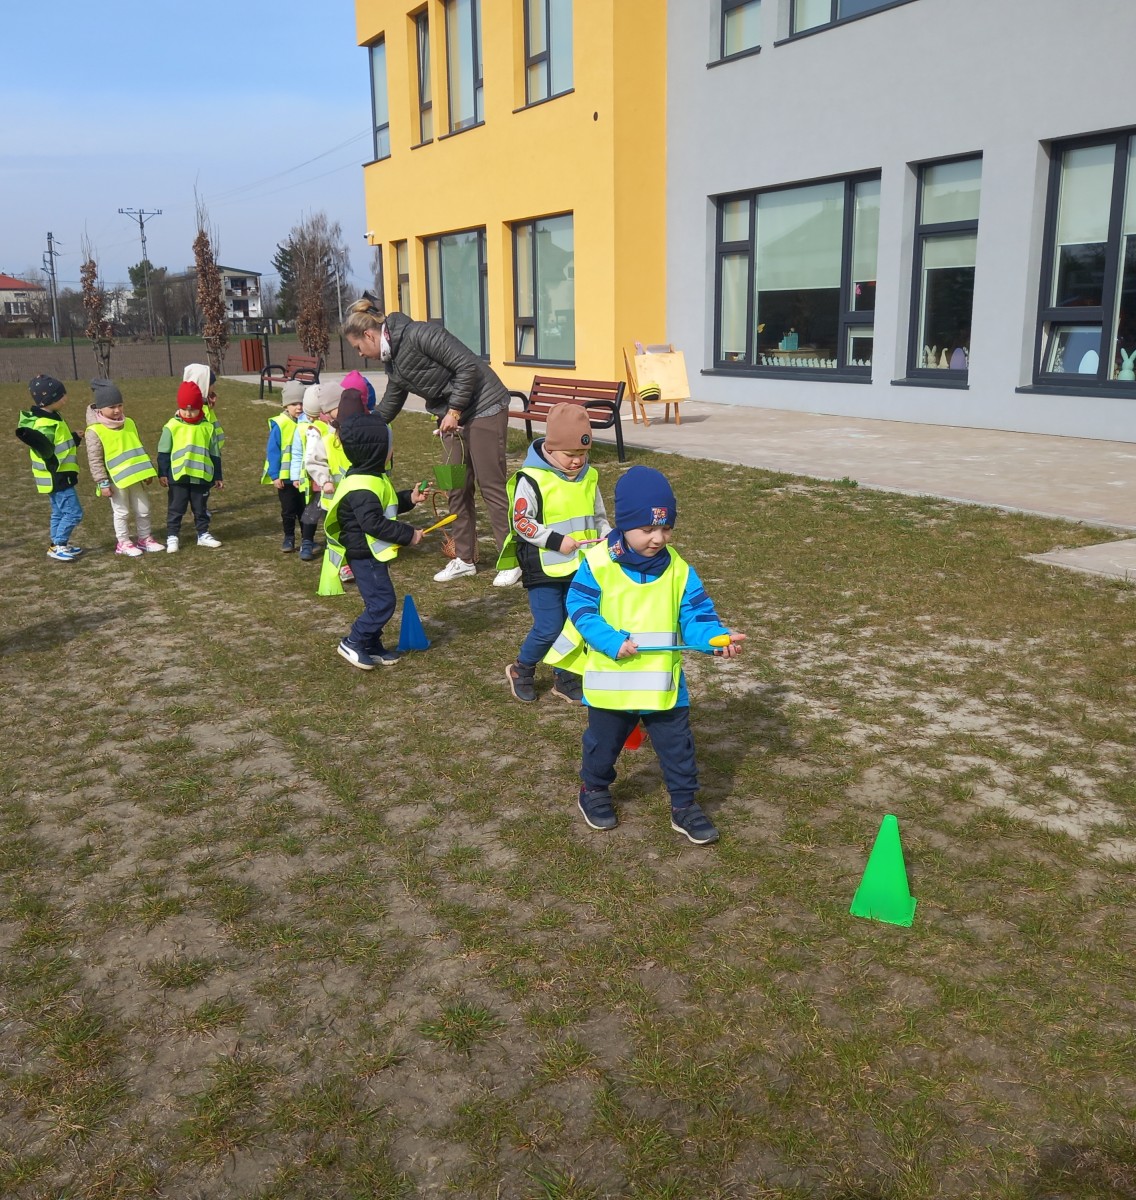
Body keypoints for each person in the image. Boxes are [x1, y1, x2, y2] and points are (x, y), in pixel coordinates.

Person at [546, 465, 746, 845]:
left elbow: (698, 617)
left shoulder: (680, 571)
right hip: (612, 686)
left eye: (666, 528)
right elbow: (581, 610)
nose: (658, 538)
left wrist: (715, 639)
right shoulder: (597, 564)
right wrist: (610, 640)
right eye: (648, 529)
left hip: (663, 687)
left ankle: (684, 805)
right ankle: (594, 790)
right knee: (602, 746)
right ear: (624, 525)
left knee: (678, 748)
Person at [342, 293, 519, 587]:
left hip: (484, 407)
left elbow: (468, 367)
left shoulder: (420, 334)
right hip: (451, 419)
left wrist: (454, 410)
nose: (359, 354)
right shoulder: (392, 363)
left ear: (369, 335)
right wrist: (356, 427)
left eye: (358, 347)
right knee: (454, 485)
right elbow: (390, 404)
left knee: (490, 486)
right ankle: (465, 558)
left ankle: (510, 559)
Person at [498, 404, 611, 705]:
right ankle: (521, 668)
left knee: (575, 624)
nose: (577, 461)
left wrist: (608, 536)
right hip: (544, 567)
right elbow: (522, 522)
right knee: (549, 626)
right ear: (550, 448)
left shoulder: (589, 476)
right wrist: (555, 540)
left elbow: (598, 516)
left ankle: (565, 676)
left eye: (583, 454)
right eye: (570, 454)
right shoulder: (531, 479)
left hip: (580, 566)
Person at [317, 408, 427, 670]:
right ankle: (354, 641)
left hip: (371, 553)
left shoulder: (372, 477)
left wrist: (409, 499)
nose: (392, 450)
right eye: (390, 445)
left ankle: (371, 644)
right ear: (376, 450)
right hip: (363, 554)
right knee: (383, 602)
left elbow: (385, 504)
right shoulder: (362, 486)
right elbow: (373, 523)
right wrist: (409, 534)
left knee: (377, 601)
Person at [83, 378, 164, 557]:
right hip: (116, 480)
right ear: (100, 408)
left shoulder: (130, 423)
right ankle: (123, 543)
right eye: (112, 407)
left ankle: (145, 539)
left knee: (144, 508)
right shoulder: (94, 431)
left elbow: (138, 447)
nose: (117, 410)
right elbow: (95, 460)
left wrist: (147, 471)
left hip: (136, 476)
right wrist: (102, 482)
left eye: (120, 405)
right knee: (122, 512)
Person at [16, 374, 85, 561]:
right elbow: (46, 451)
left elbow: (58, 445)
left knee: (59, 512)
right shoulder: (44, 424)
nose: (66, 398)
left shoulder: (53, 417)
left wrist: (74, 437)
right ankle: (59, 544)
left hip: (55, 476)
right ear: (49, 399)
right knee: (74, 513)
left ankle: (56, 544)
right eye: (62, 395)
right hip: (57, 476)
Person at [157, 380, 224, 552]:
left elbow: (215, 454)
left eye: (193, 409)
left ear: (200, 407)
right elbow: (163, 451)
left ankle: (203, 534)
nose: (188, 413)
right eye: (184, 409)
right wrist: (162, 473)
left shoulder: (208, 427)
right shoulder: (171, 426)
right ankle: (172, 536)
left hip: (201, 476)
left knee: (200, 508)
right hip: (178, 476)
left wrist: (218, 475)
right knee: (176, 508)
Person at [262, 380, 306, 552]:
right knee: (288, 510)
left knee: (304, 510)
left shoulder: (306, 422)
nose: (299, 407)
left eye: (301, 403)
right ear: (286, 405)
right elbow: (273, 451)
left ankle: (307, 539)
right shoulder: (280, 425)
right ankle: (289, 538)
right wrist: (275, 475)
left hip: (303, 477)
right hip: (285, 478)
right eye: (294, 404)